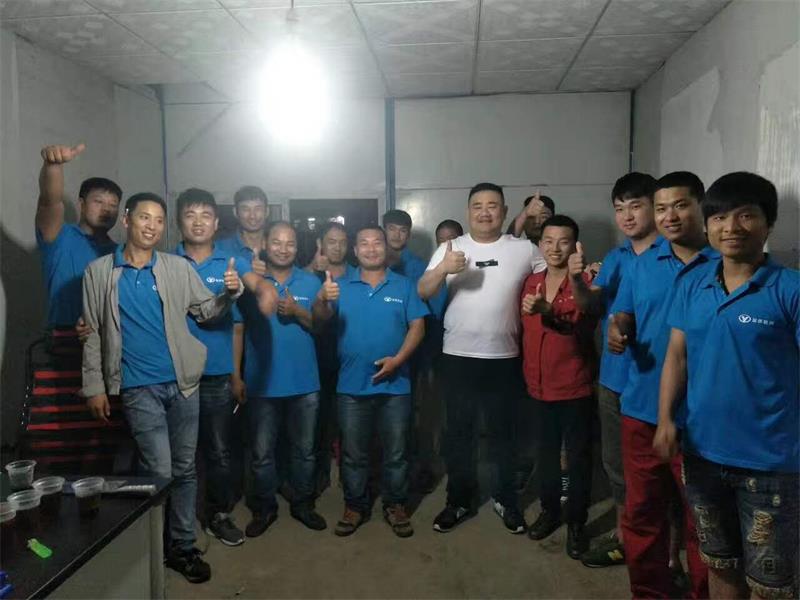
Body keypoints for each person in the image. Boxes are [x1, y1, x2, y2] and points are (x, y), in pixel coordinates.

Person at [82, 193, 249, 584]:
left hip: (183, 383)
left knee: (185, 468)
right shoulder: (99, 272)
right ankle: (150, 547)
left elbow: (205, 311)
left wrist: (229, 294)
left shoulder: (176, 267)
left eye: (158, 220)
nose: (152, 226)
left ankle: (182, 546)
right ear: (128, 220)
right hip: (138, 387)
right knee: (159, 470)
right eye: (145, 217)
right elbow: (91, 332)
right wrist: (93, 386)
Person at [654, 172, 799, 600]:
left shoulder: (790, 290)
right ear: (707, 225)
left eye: (746, 216)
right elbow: (677, 356)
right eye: (719, 218)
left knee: (771, 586)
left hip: (770, 465)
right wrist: (665, 420)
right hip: (702, 454)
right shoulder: (692, 283)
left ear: (768, 224)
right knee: (720, 565)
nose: (731, 227)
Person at [418, 182, 546, 535]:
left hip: (505, 357)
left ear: (503, 212)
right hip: (457, 356)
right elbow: (423, 290)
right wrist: (443, 269)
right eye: (478, 206)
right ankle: (459, 500)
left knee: (504, 434)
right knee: (459, 433)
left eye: (492, 205)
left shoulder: (524, 249)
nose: (485, 212)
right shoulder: (451, 247)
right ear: (468, 212)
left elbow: (554, 273)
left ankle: (506, 499)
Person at [609, 171, 713, 599]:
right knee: (642, 514)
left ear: (702, 206)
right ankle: (649, 592)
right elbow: (624, 313)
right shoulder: (641, 264)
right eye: (662, 207)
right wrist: (618, 327)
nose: (670, 216)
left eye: (681, 205)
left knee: (703, 520)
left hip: (703, 418)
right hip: (641, 408)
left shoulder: (723, 263)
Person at [174, 188, 277, 547]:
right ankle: (180, 521)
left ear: (217, 222)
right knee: (180, 455)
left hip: (216, 374)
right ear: (179, 222)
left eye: (205, 215)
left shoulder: (230, 263)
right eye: (190, 215)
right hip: (174, 376)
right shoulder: (166, 262)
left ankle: (217, 514)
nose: (198, 222)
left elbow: (253, 292)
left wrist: (265, 293)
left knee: (219, 452)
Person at [313, 226, 428, 538]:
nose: (371, 248)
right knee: (353, 453)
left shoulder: (404, 285)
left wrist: (398, 361)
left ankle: (395, 504)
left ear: (386, 249)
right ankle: (355, 505)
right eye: (364, 243)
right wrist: (322, 299)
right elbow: (319, 321)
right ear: (355, 251)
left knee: (396, 452)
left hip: (396, 385)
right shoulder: (339, 286)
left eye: (377, 242)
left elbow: (418, 326)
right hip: (351, 386)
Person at [571, 172, 660, 567]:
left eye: (636, 206)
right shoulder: (617, 257)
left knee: (660, 471)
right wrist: (576, 279)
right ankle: (627, 537)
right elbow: (590, 305)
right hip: (614, 378)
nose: (627, 216)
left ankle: (667, 552)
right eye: (620, 208)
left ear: (655, 207)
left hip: (657, 380)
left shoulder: (674, 256)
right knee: (616, 464)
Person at [236, 222, 327, 536]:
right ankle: (264, 509)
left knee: (305, 451)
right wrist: (236, 375)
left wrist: (297, 312)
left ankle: (303, 504)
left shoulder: (311, 282)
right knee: (262, 455)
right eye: (277, 242)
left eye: (290, 243)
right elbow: (237, 328)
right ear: (265, 243)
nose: (283, 249)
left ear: (296, 247)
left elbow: (320, 328)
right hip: (262, 383)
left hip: (305, 383)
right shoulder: (253, 282)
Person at [521, 215, 599, 558]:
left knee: (578, 459)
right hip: (537, 386)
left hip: (574, 386)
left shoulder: (587, 281)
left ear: (575, 246)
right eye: (549, 241)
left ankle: (577, 522)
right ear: (540, 245)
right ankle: (550, 511)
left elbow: (582, 323)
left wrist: (549, 309)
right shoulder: (531, 281)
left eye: (563, 241)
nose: (555, 248)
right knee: (546, 455)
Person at [36, 143, 121, 331]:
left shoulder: (120, 253)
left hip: (106, 338)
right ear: (81, 204)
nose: (106, 209)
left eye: (113, 205)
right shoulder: (60, 236)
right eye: (98, 201)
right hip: (64, 338)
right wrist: (53, 166)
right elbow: (50, 201)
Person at [305, 222, 355, 496]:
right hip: (317, 358)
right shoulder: (310, 274)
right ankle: (319, 475)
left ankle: (351, 477)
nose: (337, 247)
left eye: (342, 242)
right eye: (331, 241)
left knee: (351, 424)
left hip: (351, 360)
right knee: (318, 422)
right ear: (320, 244)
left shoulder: (358, 274)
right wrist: (313, 267)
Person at [216, 185, 270, 275]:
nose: (252, 216)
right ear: (235, 212)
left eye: (258, 209)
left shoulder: (279, 247)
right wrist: (245, 274)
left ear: (267, 211)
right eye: (245, 209)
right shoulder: (220, 248)